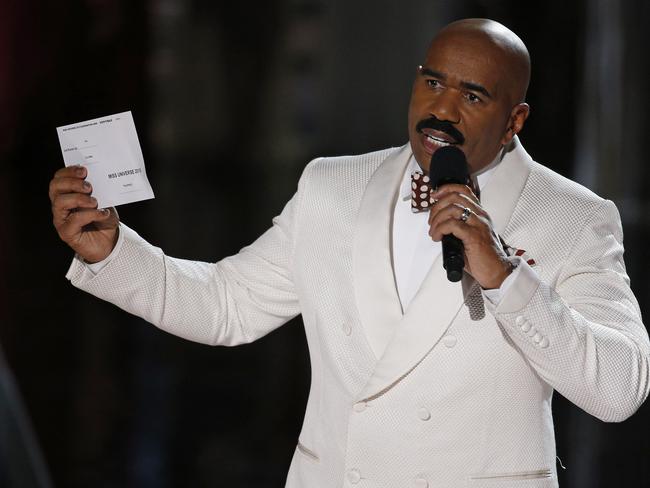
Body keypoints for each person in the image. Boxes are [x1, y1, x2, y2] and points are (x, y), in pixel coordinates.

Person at [49, 18, 649, 488]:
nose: (442, 109)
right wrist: (113, 253)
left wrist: (506, 278)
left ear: (515, 118)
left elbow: (619, 390)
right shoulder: (331, 186)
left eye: (474, 95)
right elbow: (226, 307)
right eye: (432, 82)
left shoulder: (573, 217)